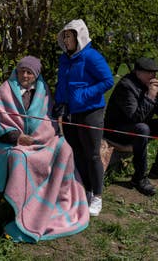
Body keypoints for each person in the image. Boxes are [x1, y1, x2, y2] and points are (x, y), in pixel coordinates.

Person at [0, 56, 89, 242]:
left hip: (40, 140)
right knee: (19, 158)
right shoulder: (6, 89)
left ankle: (56, 200)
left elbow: (48, 119)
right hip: (12, 141)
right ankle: (13, 209)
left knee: (65, 148)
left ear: (36, 75)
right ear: (16, 72)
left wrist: (43, 137)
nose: (25, 75)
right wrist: (16, 137)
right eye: (22, 71)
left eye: (30, 72)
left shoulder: (43, 92)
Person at [53, 19, 114, 216]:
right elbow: (62, 84)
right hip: (71, 112)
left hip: (90, 111)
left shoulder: (91, 57)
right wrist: (60, 102)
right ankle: (85, 190)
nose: (66, 40)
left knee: (93, 154)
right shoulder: (65, 59)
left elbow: (107, 80)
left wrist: (84, 94)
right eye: (64, 36)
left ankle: (97, 196)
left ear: (79, 37)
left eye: (69, 36)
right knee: (77, 152)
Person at [104, 58, 158, 196]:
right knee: (142, 128)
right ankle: (139, 177)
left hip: (138, 126)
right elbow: (136, 118)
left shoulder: (148, 84)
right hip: (117, 130)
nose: (154, 77)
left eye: (155, 73)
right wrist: (150, 96)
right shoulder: (126, 86)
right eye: (150, 73)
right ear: (138, 72)